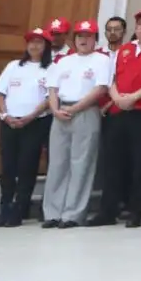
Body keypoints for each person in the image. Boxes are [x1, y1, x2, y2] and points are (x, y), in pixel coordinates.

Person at [94, 8, 141, 227]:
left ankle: (138, 210)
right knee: (113, 163)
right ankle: (107, 211)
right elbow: (112, 78)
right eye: (140, 23)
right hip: (118, 111)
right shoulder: (125, 49)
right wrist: (116, 97)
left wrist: (134, 97)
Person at [41, 21, 111, 228]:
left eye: (88, 36)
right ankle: (52, 212)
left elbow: (100, 88)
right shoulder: (64, 61)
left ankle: (73, 214)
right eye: (80, 36)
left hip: (85, 111)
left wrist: (76, 108)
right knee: (57, 163)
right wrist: (55, 109)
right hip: (61, 112)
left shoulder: (102, 60)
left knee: (81, 164)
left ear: (95, 39)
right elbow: (52, 88)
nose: (83, 40)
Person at [0, 27, 54, 227]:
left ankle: (20, 208)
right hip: (9, 122)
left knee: (27, 165)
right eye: (31, 42)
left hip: (35, 122)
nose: (34, 46)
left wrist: (30, 117)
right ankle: (5, 208)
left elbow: (49, 98)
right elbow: (0, 93)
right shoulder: (14, 66)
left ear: (46, 46)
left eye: (39, 42)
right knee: (8, 166)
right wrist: (5, 115)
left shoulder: (52, 68)